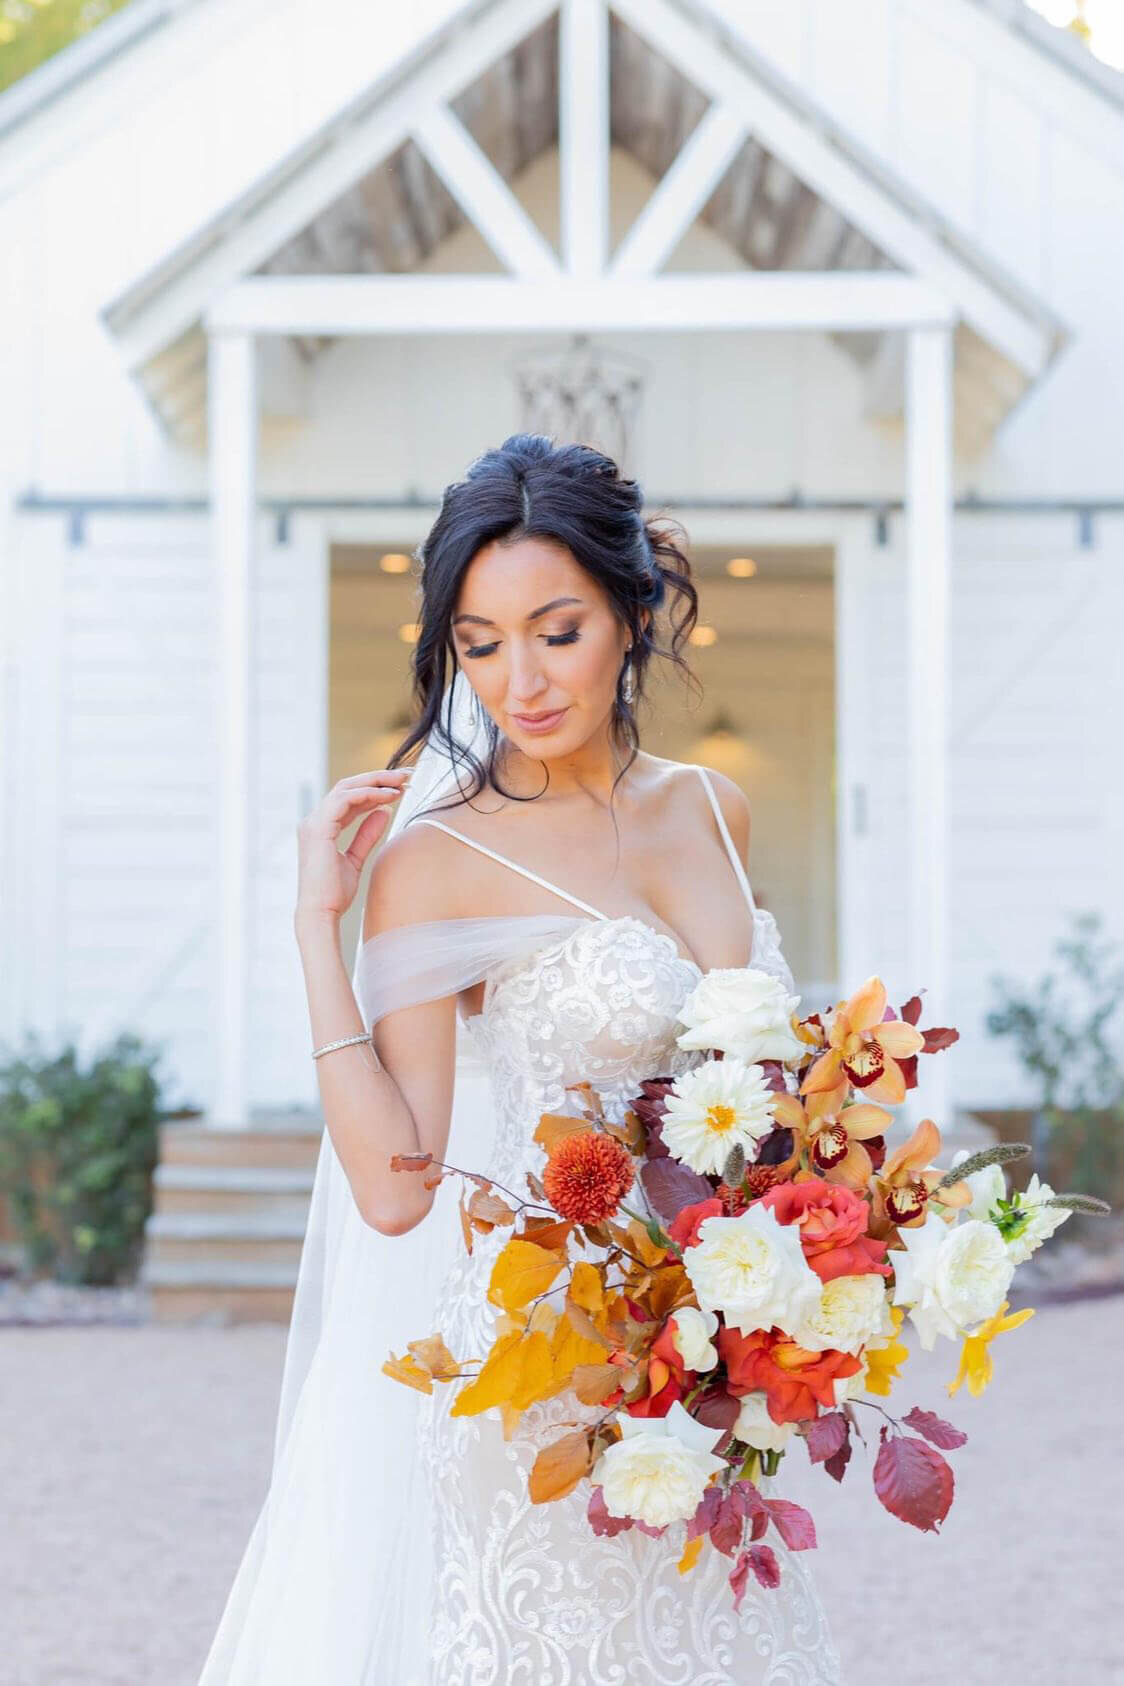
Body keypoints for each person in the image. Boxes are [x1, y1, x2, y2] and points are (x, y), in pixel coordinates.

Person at [198, 434, 842, 1684]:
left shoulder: (714, 808)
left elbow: (756, 1083)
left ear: (631, 612)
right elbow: (395, 1188)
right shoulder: (434, 862)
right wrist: (311, 930)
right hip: (544, 1362)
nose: (518, 682)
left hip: (708, 1354)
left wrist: (809, 1257)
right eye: (479, 645)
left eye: (556, 631)